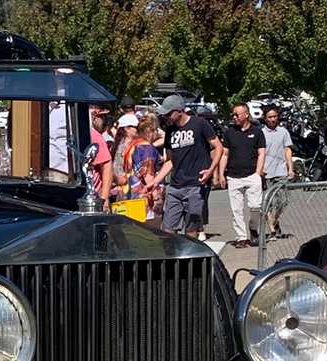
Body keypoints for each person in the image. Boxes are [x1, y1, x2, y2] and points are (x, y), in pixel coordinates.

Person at [148, 94, 222, 239]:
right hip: (175, 186)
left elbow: (218, 147)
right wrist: (155, 181)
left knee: (191, 230)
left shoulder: (199, 124)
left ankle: (189, 259)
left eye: (169, 113)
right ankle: (171, 259)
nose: (167, 117)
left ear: (179, 110)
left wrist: (211, 170)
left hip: (195, 185)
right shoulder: (170, 131)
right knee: (168, 229)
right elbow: (170, 161)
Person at [221, 102, 266, 248]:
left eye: (237, 114)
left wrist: (258, 173)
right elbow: (225, 154)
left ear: (246, 114)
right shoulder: (229, 132)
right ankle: (241, 237)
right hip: (233, 176)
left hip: (252, 175)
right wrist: (221, 173)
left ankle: (253, 228)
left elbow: (261, 153)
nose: (234, 117)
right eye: (233, 114)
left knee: (255, 207)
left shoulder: (257, 132)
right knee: (236, 210)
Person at [110, 112, 160, 208]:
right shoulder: (146, 148)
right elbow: (148, 176)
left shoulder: (131, 146)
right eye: (156, 130)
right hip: (143, 199)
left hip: (126, 194)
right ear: (150, 130)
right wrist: (155, 196)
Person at [259, 105, 295, 238]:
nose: (273, 119)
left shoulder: (283, 132)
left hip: (281, 171)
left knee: (283, 201)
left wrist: (290, 168)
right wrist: (259, 169)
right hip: (267, 172)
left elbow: (287, 150)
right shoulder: (261, 133)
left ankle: (274, 221)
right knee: (269, 202)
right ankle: (272, 230)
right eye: (270, 117)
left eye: (275, 116)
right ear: (265, 118)